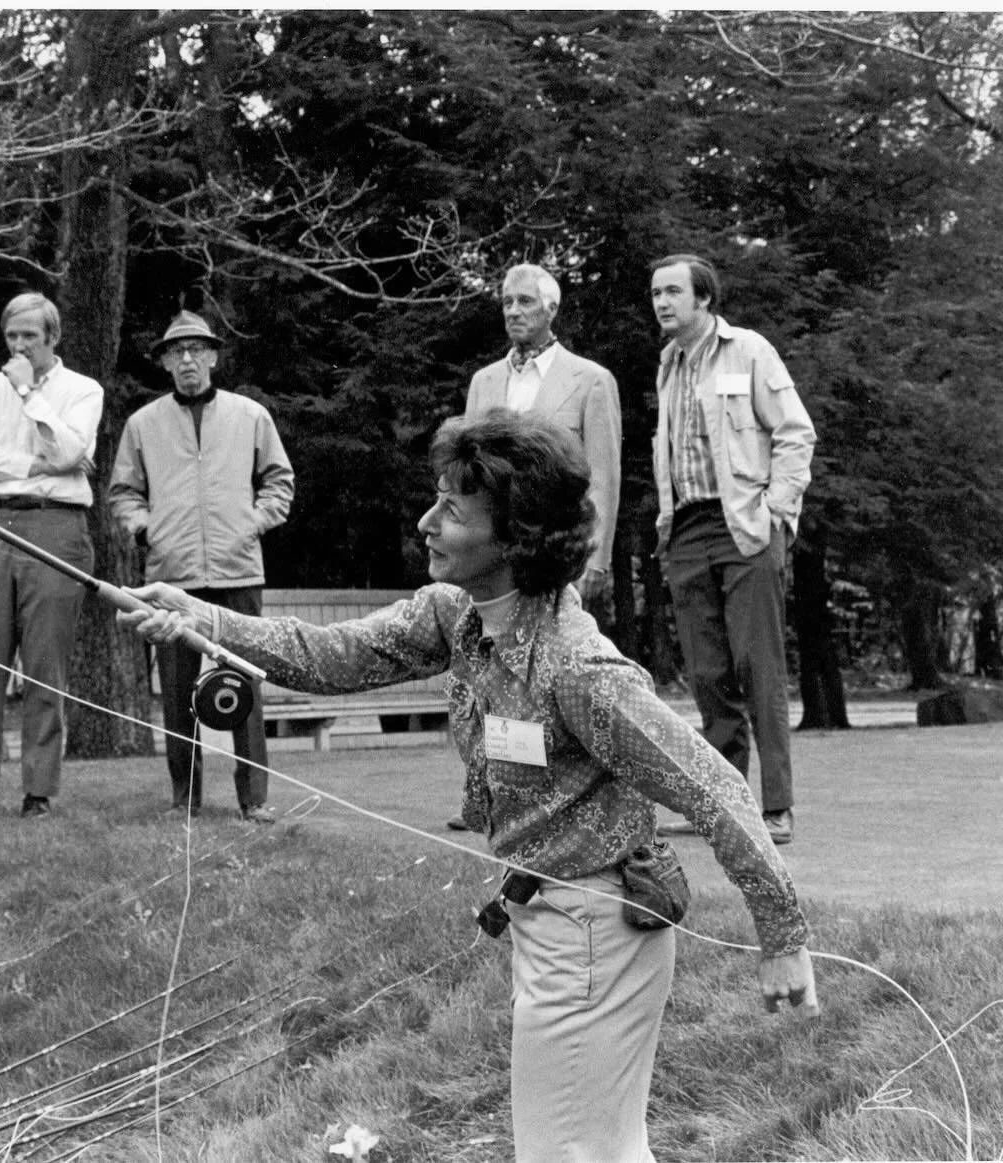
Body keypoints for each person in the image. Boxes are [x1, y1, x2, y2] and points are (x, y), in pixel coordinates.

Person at [118, 410, 818, 1163]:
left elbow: (718, 789)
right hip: (551, 920)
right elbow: (326, 654)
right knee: (599, 1151)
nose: (426, 522)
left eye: (452, 509)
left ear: (515, 538)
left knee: (569, 1154)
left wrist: (783, 938)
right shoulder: (458, 615)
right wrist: (197, 614)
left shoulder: (579, 669)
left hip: (596, 932)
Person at [648, 254, 816, 846]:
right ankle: (721, 804)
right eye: (655, 293)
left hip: (745, 528)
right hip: (687, 531)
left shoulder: (748, 351)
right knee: (707, 673)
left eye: (672, 292)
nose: (662, 302)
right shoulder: (669, 365)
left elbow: (795, 432)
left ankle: (777, 807)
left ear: (704, 298)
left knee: (757, 666)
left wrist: (776, 510)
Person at [451, 262, 622, 831]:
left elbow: (601, 476)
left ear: (552, 309)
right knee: (493, 667)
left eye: (525, 301)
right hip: (497, 552)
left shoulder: (589, 379)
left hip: (556, 550)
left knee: (552, 671)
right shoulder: (484, 383)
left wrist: (595, 556)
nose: (514, 311)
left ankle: (562, 791)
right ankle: (491, 789)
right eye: (505, 302)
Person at [108, 310, 294, 824]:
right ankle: (183, 797)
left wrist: (252, 523)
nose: (188, 359)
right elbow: (123, 491)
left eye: (197, 349)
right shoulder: (143, 424)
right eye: (177, 351)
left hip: (238, 571)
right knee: (175, 691)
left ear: (213, 355)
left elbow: (280, 480)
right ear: (166, 362)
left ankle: (254, 799)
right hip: (172, 575)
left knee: (245, 686)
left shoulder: (250, 415)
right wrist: (146, 529)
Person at [0, 292, 103, 819]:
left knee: (44, 665)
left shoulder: (83, 390)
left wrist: (28, 394)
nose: (18, 347)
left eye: (29, 338)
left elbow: (67, 451)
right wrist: (33, 465)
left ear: (52, 339)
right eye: (11, 337)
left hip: (55, 527)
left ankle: (39, 792)